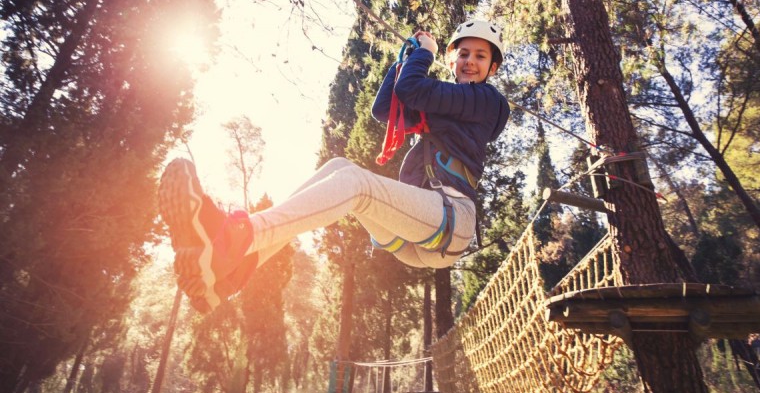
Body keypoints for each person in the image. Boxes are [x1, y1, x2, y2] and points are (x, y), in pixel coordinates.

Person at [159, 19, 510, 312]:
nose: (469, 61)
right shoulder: (448, 103)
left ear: (492, 68)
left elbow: (414, 91)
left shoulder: (487, 101)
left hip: (451, 219)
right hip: (415, 233)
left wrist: (425, 53)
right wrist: (402, 62)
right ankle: (231, 274)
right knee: (339, 165)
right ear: (453, 61)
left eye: (480, 56)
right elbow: (385, 109)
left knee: (358, 185)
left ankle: (234, 239)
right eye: (463, 53)